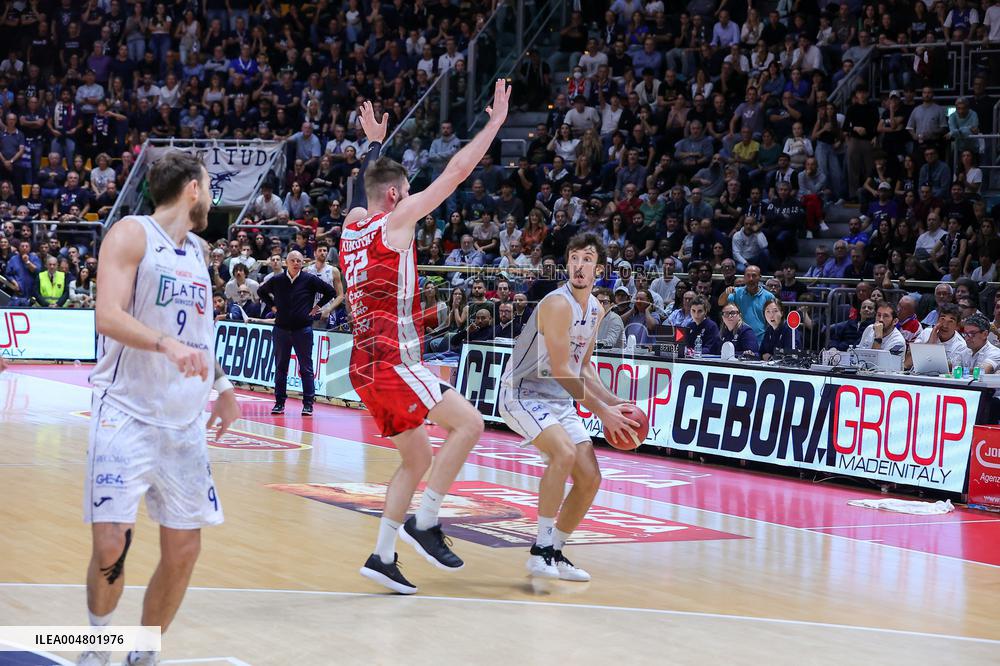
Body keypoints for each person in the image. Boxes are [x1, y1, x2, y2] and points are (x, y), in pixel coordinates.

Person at [338, 84, 510, 595]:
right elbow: (456, 173)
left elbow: (361, 193)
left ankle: (382, 555)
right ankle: (426, 521)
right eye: (408, 190)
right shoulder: (397, 221)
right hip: (393, 358)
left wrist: (374, 147)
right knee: (471, 424)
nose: (413, 196)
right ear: (396, 197)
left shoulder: (350, 227)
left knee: (416, 459)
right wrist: (494, 124)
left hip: (362, 364)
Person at [80, 151, 241, 666]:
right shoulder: (131, 234)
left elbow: (200, 334)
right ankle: (97, 646)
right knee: (111, 544)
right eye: (210, 187)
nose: (212, 197)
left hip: (183, 424)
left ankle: (144, 651)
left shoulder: (198, 252)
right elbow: (107, 315)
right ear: (193, 188)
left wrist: (224, 386)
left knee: (184, 552)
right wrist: (166, 345)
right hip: (125, 412)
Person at [499, 233, 638, 582]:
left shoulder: (595, 309)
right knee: (562, 454)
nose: (579, 265)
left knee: (590, 478)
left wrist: (612, 401)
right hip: (523, 391)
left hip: (557, 399)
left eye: (587, 259)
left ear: (599, 269)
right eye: (574, 258)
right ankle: (540, 550)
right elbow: (562, 370)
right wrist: (601, 412)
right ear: (567, 264)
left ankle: (557, 550)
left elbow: (583, 366)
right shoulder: (558, 304)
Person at [256, 249, 337, 416]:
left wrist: (317, 307)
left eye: (299, 261)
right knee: (281, 368)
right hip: (281, 330)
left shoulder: (309, 279)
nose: (295, 263)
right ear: (287, 262)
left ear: (302, 263)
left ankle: (308, 404)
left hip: (303, 330)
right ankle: (279, 403)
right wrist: (272, 306)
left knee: (306, 369)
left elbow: (331, 292)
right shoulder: (277, 280)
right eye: (292, 260)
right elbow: (261, 292)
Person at [718, 265, 774, 342]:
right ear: (744, 277)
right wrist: (726, 293)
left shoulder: (768, 296)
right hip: (739, 339)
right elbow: (720, 302)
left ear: (759, 277)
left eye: (754, 276)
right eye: (748, 275)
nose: (751, 279)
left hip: (761, 339)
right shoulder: (736, 292)